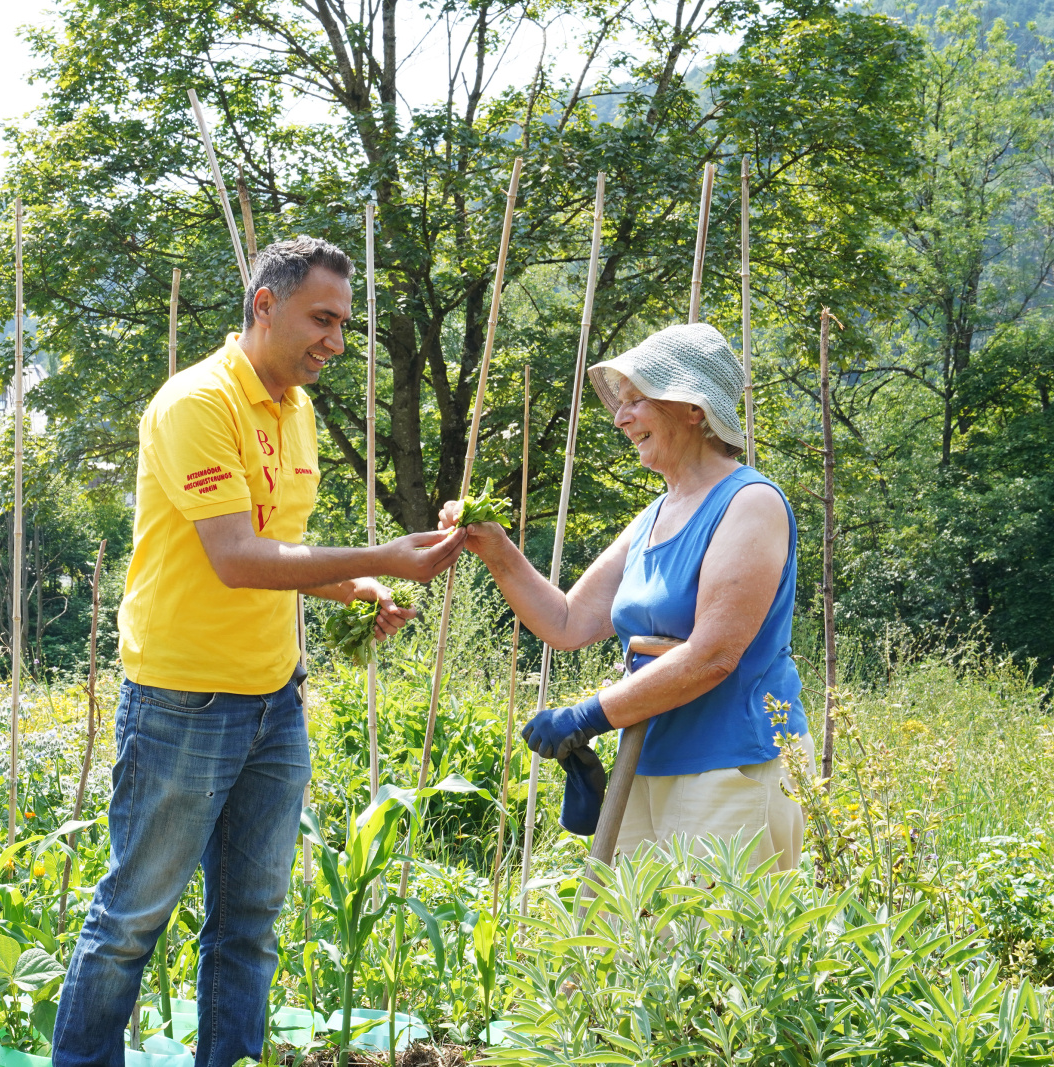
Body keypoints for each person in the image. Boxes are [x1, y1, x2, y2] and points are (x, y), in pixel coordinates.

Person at [53, 236, 462, 1067]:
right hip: (182, 702)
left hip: (275, 700)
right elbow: (235, 558)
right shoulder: (197, 403)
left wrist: (355, 590)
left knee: (249, 923)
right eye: (322, 319)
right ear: (265, 304)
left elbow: (282, 548)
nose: (337, 342)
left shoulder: (297, 409)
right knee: (132, 918)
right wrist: (383, 556)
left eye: (344, 324)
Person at [442, 322, 812, 869]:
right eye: (621, 402)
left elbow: (713, 655)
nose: (620, 417)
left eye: (637, 399)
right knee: (635, 944)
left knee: (714, 951)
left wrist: (588, 716)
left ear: (694, 409)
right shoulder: (655, 515)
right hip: (648, 760)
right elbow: (567, 622)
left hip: (733, 765)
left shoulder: (750, 503)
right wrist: (497, 550)